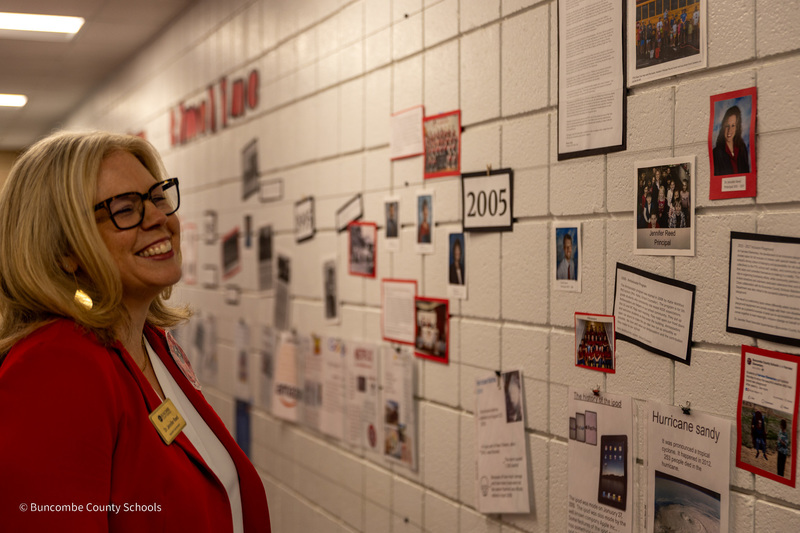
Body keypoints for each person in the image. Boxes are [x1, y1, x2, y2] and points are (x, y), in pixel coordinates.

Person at [0, 131, 271, 532]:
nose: (159, 217)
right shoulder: (54, 369)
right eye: (125, 209)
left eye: (158, 197)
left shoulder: (151, 344)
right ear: (65, 250)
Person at [713, 105, 750, 176]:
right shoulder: (716, 153)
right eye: (727, 126)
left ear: (737, 128)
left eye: (733, 126)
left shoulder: (742, 149)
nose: (729, 130)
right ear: (723, 127)